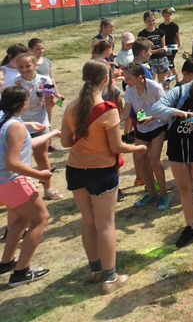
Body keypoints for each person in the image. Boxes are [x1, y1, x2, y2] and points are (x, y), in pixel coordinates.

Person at [61, 60, 146, 293]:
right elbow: (116, 146)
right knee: (106, 224)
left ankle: (96, 269)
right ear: (107, 80)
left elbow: (66, 142)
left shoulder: (71, 106)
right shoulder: (108, 110)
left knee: (88, 221)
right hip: (101, 171)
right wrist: (138, 148)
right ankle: (110, 278)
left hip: (75, 169)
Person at [150, 62, 193, 246]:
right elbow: (155, 109)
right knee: (185, 188)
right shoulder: (180, 92)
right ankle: (191, 227)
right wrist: (177, 112)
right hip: (177, 147)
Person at [0, 86, 60, 287]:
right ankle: (21, 272)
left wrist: (51, 134)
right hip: (13, 181)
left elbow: (26, 145)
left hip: (3, 184)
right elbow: (12, 163)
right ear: (21, 104)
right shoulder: (16, 127)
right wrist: (40, 175)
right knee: (41, 218)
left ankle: (6, 262)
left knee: (21, 219)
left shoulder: (4, 120)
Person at [121, 62, 169, 210]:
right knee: (139, 161)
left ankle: (164, 195)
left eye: (128, 78)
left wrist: (152, 117)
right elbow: (125, 113)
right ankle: (152, 193)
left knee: (154, 161)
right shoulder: (129, 90)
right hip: (142, 128)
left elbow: (166, 107)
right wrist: (108, 121)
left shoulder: (155, 87)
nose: (125, 81)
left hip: (158, 125)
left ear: (140, 77)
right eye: (125, 78)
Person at [12, 53, 60, 200]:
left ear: (34, 65)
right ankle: (23, 190)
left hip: (40, 122)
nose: (24, 69)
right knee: (20, 159)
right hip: (21, 124)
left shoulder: (45, 80)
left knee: (42, 157)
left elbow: (51, 105)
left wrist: (51, 99)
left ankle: (48, 189)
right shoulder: (14, 83)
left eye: (28, 66)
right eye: (20, 67)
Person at [138, 11, 170, 84]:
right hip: (150, 60)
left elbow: (164, 45)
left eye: (153, 20)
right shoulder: (142, 34)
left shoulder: (160, 32)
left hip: (161, 59)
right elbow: (145, 51)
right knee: (150, 82)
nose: (151, 23)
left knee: (162, 82)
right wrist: (159, 50)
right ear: (145, 21)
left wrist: (165, 49)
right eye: (149, 21)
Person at [159, 8, 181, 76]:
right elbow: (161, 36)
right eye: (165, 15)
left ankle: (176, 79)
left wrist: (179, 43)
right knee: (168, 63)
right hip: (165, 45)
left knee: (170, 63)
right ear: (163, 15)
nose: (167, 16)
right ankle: (170, 77)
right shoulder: (161, 26)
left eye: (168, 15)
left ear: (170, 15)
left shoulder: (174, 25)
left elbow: (177, 35)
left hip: (172, 45)